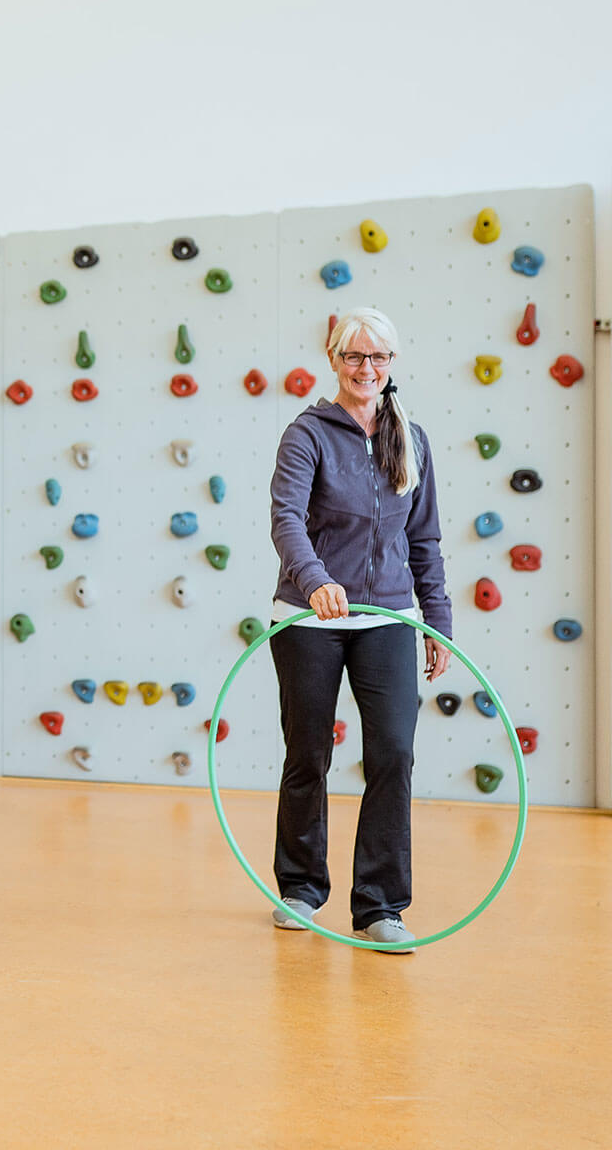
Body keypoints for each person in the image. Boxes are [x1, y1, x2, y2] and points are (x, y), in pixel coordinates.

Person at [266, 307, 452, 953]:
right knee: (309, 752)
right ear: (333, 359)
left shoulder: (412, 438)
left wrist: (439, 625)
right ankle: (299, 888)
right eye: (354, 357)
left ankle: (379, 905)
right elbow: (286, 520)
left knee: (394, 754)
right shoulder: (307, 434)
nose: (366, 368)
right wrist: (316, 580)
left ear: (391, 364)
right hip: (308, 618)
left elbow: (423, 538)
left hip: (390, 619)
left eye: (378, 358)